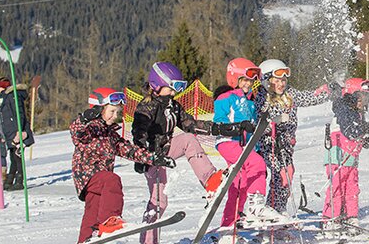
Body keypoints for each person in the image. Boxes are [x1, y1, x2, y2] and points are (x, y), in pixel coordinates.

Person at [132, 62, 253, 244]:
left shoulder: (173, 106)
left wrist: (229, 128)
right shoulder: (147, 106)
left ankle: (210, 180)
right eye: (171, 88)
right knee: (159, 203)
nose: (174, 93)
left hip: (167, 149)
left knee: (189, 139)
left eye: (178, 88)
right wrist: (141, 155)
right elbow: (139, 131)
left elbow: (193, 125)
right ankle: (148, 241)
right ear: (157, 85)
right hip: (151, 156)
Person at [71, 87, 176, 243]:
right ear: (99, 109)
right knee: (112, 180)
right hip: (89, 176)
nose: (115, 116)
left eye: (117, 112)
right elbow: (77, 133)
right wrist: (84, 119)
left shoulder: (110, 134)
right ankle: (110, 220)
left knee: (91, 214)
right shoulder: (91, 128)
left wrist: (154, 158)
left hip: (99, 183)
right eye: (112, 111)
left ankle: (85, 240)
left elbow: (130, 150)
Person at [253, 59, 336, 214]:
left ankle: (279, 209)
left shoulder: (289, 93)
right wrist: (274, 122)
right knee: (279, 174)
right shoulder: (261, 97)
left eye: (284, 80)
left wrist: (327, 92)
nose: (281, 84)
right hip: (268, 144)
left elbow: (309, 98)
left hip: (285, 145)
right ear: (265, 80)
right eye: (277, 80)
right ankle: (270, 209)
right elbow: (258, 120)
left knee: (288, 173)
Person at [212, 58, 287, 228]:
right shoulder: (226, 97)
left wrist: (268, 127)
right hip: (229, 142)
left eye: (251, 81)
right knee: (257, 163)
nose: (248, 84)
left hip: (245, 145)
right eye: (244, 80)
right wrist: (237, 127)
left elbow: (254, 125)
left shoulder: (251, 100)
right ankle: (256, 206)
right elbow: (219, 124)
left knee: (241, 183)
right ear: (234, 79)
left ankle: (229, 224)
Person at [322, 78, 369, 231]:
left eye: (367, 98)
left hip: (351, 159)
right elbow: (352, 131)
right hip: (337, 156)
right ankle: (330, 218)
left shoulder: (358, 114)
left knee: (352, 188)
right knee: (337, 187)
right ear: (353, 95)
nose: (364, 101)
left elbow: (358, 138)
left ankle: (351, 216)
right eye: (362, 97)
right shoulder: (344, 108)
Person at [0, 81, 35, 191]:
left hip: (16, 131)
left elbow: (19, 113)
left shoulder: (13, 96)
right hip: (9, 132)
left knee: (18, 157)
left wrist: (19, 131)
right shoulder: (5, 98)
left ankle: (19, 181)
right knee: (13, 157)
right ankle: (10, 180)